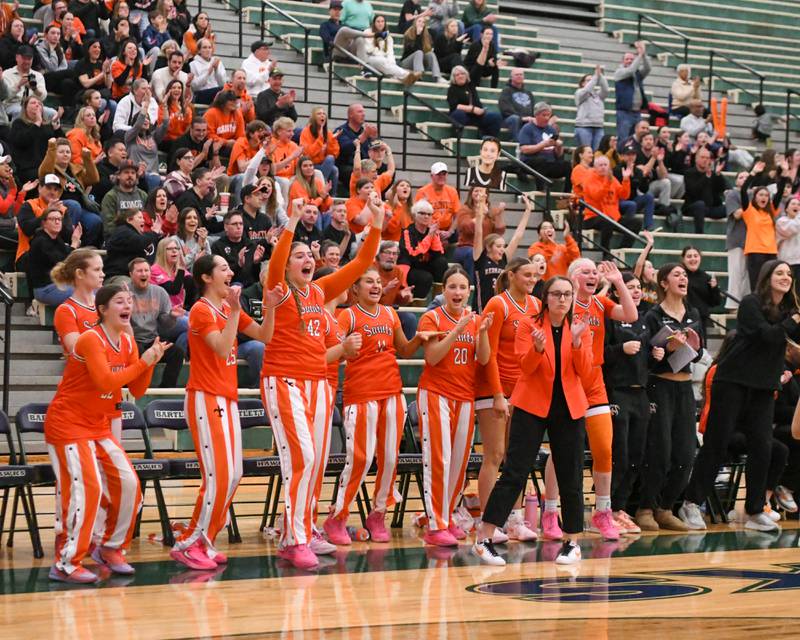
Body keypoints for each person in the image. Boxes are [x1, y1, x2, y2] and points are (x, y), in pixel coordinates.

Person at [259, 193, 385, 569]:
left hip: (317, 381)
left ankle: (302, 528)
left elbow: (363, 261)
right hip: (284, 380)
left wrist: (376, 223)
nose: (307, 260)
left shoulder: (320, 290)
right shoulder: (278, 290)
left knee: (313, 464)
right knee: (304, 457)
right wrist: (292, 224)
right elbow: (279, 263)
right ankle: (293, 538)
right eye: (300, 256)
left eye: (309, 256)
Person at [44, 284, 166, 583]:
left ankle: (110, 548)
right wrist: (144, 362)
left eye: (129, 301)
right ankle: (66, 563)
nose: (128, 306)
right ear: (102, 309)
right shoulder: (90, 339)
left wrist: (150, 362)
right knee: (89, 490)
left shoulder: (127, 341)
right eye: (120, 301)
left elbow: (136, 390)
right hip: (69, 424)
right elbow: (105, 383)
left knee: (128, 484)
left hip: (97, 425)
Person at [169, 254, 280, 570]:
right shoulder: (202, 311)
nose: (230, 272)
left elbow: (265, 336)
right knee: (217, 476)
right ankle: (190, 542)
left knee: (233, 474)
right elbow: (221, 347)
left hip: (225, 397)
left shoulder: (227, 308)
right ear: (206, 277)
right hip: (205, 397)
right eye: (223, 268)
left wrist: (269, 306)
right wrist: (234, 312)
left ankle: (206, 540)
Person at [472, 276, 592, 566]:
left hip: (569, 407)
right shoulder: (529, 324)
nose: (562, 299)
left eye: (567, 294)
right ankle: (484, 537)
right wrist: (538, 349)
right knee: (515, 471)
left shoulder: (579, 327)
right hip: (531, 405)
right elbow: (524, 367)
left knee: (570, 474)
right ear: (546, 297)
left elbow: (586, 372)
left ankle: (572, 541)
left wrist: (576, 342)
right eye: (556, 294)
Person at [681, 261, 800, 532]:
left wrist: (793, 320)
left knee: (763, 446)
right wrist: (793, 321)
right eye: (779, 273)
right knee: (717, 443)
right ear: (767, 277)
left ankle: (755, 510)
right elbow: (768, 337)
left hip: (763, 387)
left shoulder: (789, 311)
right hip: (732, 382)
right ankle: (691, 502)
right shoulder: (751, 303)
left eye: (789, 274)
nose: (785, 277)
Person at [323, 266, 428, 544]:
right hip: (361, 395)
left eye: (378, 282)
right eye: (368, 281)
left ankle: (378, 513)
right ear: (355, 288)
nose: (375, 285)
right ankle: (338, 516)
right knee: (361, 458)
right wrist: (345, 346)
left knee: (391, 459)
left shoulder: (390, 313)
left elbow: (404, 350)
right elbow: (333, 352)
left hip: (392, 393)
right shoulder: (346, 315)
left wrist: (419, 338)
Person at [541, 258, 636, 542]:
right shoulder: (562, 305)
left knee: (605, 449)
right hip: (568, 380)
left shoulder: (600, 304)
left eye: (595, 272)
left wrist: (618, 281)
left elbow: (631, 316)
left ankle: (602, 512)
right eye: (586, 271)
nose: (592, 274)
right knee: (561, 451)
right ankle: (549, 512)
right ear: (571, 279)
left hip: (595, 383)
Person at [416, 265, 491, 546]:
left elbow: (483, 359)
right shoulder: (431, 318)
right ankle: (435, 525)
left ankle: (446, 517)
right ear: (443, 290)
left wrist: (481, 331)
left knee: (458, 463)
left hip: (465, 397)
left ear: (469, 291)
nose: (458, 292)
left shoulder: (475, 320)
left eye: (462, 287)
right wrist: (456, 329)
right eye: (452, 287)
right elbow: (433, 357)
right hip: (436, 394)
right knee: (440, 460)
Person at [630, 263, 703, 532]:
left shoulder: (693, 313)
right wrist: (665, 347)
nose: (683, 278)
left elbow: (699, 350)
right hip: (659, 386)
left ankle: (666, 507)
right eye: (677, 275)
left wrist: (692, 345)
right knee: (660, 451)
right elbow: (647, 358)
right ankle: (645, 507)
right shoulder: (653, 315)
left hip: (685, 388)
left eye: (685, 275)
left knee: (686, 452)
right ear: (663, 283)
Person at [474, 258, 542, 543]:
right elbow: (487, 355)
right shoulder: (497, 305)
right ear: (511, 275)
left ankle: (515, 520)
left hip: (523, 390)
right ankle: (488, 521)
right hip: (494, 388)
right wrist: (499, 394)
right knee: (494, 455)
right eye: (526, 275)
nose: (531, 279)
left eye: (534, 275)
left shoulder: (537, 306)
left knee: (518, 458)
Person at [604, 272, 650, 533]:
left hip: (640, 393)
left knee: (636, 456)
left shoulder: (643, 320)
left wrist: (656, 353)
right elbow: (600, 353)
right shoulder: (611, 318)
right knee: (618, 456)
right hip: (617, 392)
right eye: (630, 287)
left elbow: (649, 361)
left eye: (638, 287)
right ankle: (605, 509)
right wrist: (620, 349)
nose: (636, 291)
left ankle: (620, 508)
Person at [129, 256, 187, 388]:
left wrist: (172, 316)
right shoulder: (123, 292)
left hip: (152, 340)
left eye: (146, 270)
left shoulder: (160, 292)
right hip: (131, 340)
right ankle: (128, 388)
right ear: (131, 274)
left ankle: (165, 390)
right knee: (134, 350)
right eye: (139, 271)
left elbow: (166, 326)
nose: (144, 274)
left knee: (177, 352)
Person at [472, 195, 532, 313]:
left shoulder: (503, 259)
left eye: (503, 246)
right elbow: (478, 232)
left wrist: (528, 211)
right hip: (482, 309)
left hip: (500, 308)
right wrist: (480, 209)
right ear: (489, 247)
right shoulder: (480, 258)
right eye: (498, 246)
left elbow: (517, 236)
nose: (502, 249)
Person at [738, 162, 786, 290]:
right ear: (755, 197)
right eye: (761, 195)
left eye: (766, 195)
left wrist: (784, 174)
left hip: (771, 252)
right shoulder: (749, 210)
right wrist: (753, 173)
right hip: (755, 252)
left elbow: (780, 192)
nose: (764, 197)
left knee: (770, 285)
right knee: (757, 284)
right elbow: (743, 190)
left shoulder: (771, 211)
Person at [52, 249, 105, 357]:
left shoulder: (105, 304)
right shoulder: (66, 310)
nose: (102, 274)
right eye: (97, 270)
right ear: (80, 273)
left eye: (102, 269)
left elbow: (125, 342)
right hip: (81, 373)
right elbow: (77, 350)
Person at [581, 155, 641, 250]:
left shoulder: (612, 179)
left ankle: (621, 250)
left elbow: (624, 195)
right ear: (595, 167)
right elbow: (597, 196)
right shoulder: (589, 179)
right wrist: (607, 183)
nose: (603, 167)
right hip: (593, 217)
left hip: (613, 218)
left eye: (605, 165)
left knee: (636, 223)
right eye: (600, 165)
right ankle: (605, 251)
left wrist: (625, 179)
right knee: (607, 221)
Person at [28, 206, 83, 307]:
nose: (57, 222)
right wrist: (74, 243)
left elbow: (68, 254)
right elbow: (63, 261)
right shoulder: (40, 241)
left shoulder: (57, 239)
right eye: (53, 219)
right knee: (84, 294)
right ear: (44, 223)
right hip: (45, 288)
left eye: (59, 219)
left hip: (59, 285)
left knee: (95, 290)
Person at [399, 199, 449, 299]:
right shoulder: (408, 232)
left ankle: (438, 298)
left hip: (425, 265)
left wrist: (433, 235)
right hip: (412, 267)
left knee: (442, 262)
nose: (426, 216)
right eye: (422, 213)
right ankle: (416, 305)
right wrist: (429, 236)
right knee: (425, 278)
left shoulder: (431, 231)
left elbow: (439, 253)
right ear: (414, 215)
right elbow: (413, 254)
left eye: (429, 214)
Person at [454, 185, 505, 280]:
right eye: (476, 191)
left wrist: (499, 214)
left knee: (499, 253)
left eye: (481, 191)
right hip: (466, 247)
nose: (478, 194)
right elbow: (466, 228)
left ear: (486, 195)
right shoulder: (465, 209)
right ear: (471, 194)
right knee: (473, 254)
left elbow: (499, 231)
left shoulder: (491, 210)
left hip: (486, 249)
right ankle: (473, 286)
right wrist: (480, 215)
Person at [518, 102, 571, 191]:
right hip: (531, 162)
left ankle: (566, 194)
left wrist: (558, 146)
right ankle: (540, 191)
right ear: (537, 115)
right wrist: (543, 145)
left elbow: (558, 155)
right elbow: (524, 149)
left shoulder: (551, 129)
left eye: (548, 115)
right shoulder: (527, 128)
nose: (547, 118)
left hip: (549, 162)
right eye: (544, 115)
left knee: (567, 166)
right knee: (540, 161)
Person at [365, 15, 420, 86]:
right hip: (370, 59)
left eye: (382, 21)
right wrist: (378, 38)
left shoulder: (388, 37)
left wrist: (391, 63)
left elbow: (390, 53)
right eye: (378, 21)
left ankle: (402, 77)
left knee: (389, 64)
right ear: (374, 23)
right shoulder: (368, 32)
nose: (380, 23)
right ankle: (407, 75)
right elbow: (369, 50)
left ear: (385, 23)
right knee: (382, 61)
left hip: (384, 62)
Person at [447, 65, 500, 137]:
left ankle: (487, 138)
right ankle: (457, 139)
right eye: (457, 75)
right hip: (462, 116)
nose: (460, 76)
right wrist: (473, 109)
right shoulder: (452, 89)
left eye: (462, 74)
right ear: (454, 78)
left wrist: (481, 110)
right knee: (458, 114)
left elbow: (477, 103)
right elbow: (456, 106)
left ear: (466, 75)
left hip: (475, 116)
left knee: (496, 116)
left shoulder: (470, 86)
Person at [613, 40, 650, 146]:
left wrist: (644, 54)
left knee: (638, 139)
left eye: (631, 59)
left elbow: (648, 68)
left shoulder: (637, 73)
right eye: (627, 59)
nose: (629, 61)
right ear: (622, 62)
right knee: (624, 139)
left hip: (637, 112)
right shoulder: (619, 73)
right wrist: (640, 55)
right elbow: (630, 70)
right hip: (624, 112)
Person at [299, 107, 341, 194]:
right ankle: (322, 188)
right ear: (313, 118)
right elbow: (308, 154)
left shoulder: (328, 133)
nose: (322, 115)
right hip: (310, 164)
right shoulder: (306, 132)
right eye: (319, 113)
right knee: (332, 167)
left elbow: (334, 154)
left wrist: (332, 140)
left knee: (334, 168)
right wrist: (320, 139)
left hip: (323, 164)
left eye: (324, 113)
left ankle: (332, 196)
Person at [724, 171, 750, 309]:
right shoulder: (732, 194)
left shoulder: (755, 194)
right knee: (736, 273)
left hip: (752, 241)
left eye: (747, 177)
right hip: (737, 239)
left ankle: (746, 305)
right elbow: (738, 214)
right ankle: (732, 305)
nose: (744, 179)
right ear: (736, 181)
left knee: (747, 276)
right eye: (741, 177)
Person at [682, 245, 721, 333]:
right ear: (683, 259)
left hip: (701, 320)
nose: (693, 259)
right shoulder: (679, 276)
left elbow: (715, 302)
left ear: (700, 258)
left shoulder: (706, 278)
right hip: (682, 319)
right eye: (689, 256)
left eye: (695, 256)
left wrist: (714, 289)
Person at [101, 160, 149, 231]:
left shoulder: (143, 195)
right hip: (120, 237)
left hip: (141, 235)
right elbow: (109, 226)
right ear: (118, 176)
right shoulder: (110, 197)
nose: (130, 175)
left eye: (133, 173)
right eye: (126, 172)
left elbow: (148, 220)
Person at [400, 15, 444, 83]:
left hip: (420, 62)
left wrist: (420, 35)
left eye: (423, 22)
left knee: (430, 54)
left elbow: (426, 50)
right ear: (415, 23)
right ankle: (418, 75)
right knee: (419, 52)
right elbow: (412, 50)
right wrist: (418, 35)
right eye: (419, 21)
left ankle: (437, 77)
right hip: (407, 62)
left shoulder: (427, 35)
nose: (421, 23)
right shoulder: (408, 34)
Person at [574, 65, 609, 151]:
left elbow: (606, 89)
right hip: (584, 127)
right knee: (586, 152)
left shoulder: (598, 95)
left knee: (597, 153)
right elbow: (586, 90)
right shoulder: (579, 93)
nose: (592, 82)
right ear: (582, 83)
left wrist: (600, 76)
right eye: (588, 80)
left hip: (598, 127)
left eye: (592, 80)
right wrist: (595, 77)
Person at [498, 67, 534, 142]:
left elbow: (534, 108)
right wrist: (522, 118)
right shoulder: (506, 91)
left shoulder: (528, 93)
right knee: (514, 118)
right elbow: (505, 109)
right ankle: (519, 142)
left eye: (521, 74)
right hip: (510, 120)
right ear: (511, 77)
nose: (519, 76)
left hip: (527, 120)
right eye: (517, 74)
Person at [175, 206, 211, 275]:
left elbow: (209, 262)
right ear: (182, 221)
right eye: (188, 218)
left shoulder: (202, 239)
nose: (192, 220)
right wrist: (198, 246)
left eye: (195, 218)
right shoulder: (175, 240)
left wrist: (204, 244)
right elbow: (182, 265)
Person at [189, 38, 226, 105]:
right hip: (201, 94)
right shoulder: (193, 64)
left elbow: (222, 83)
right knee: (221, 91)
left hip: (217, 91)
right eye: (204, 48)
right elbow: (195, 86)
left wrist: (216, 69)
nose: (208, 50)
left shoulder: (217, 62)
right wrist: (208, 72)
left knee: (227, 89)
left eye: (209, 47)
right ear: (199, 51)